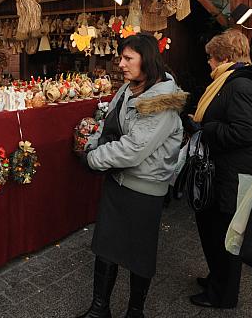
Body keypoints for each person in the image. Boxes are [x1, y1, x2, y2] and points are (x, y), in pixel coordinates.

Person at [77, 34, 187, 318]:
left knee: (138, 256)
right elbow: (109, 123)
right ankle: (99, 309)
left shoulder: (161, 101)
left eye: (128, 59)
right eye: (121, 57)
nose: (121, 64)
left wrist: (93, 159)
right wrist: (93, 142)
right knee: (105, 249)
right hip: (118, 182)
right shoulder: (128, 88)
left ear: (146, 61)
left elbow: (134, 149)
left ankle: (134, 312)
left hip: (144, 189)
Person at [188, 29, 252, 309]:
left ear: (223, 57)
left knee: (223, 235)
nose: (208, 63)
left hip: (231, 175)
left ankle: (222, 294)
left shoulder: (240, 85)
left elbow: (247, 132)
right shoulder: (232, 81)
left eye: (210, 57)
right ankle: (217, 279)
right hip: (226, 172)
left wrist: (205, 128)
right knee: (214, 230)